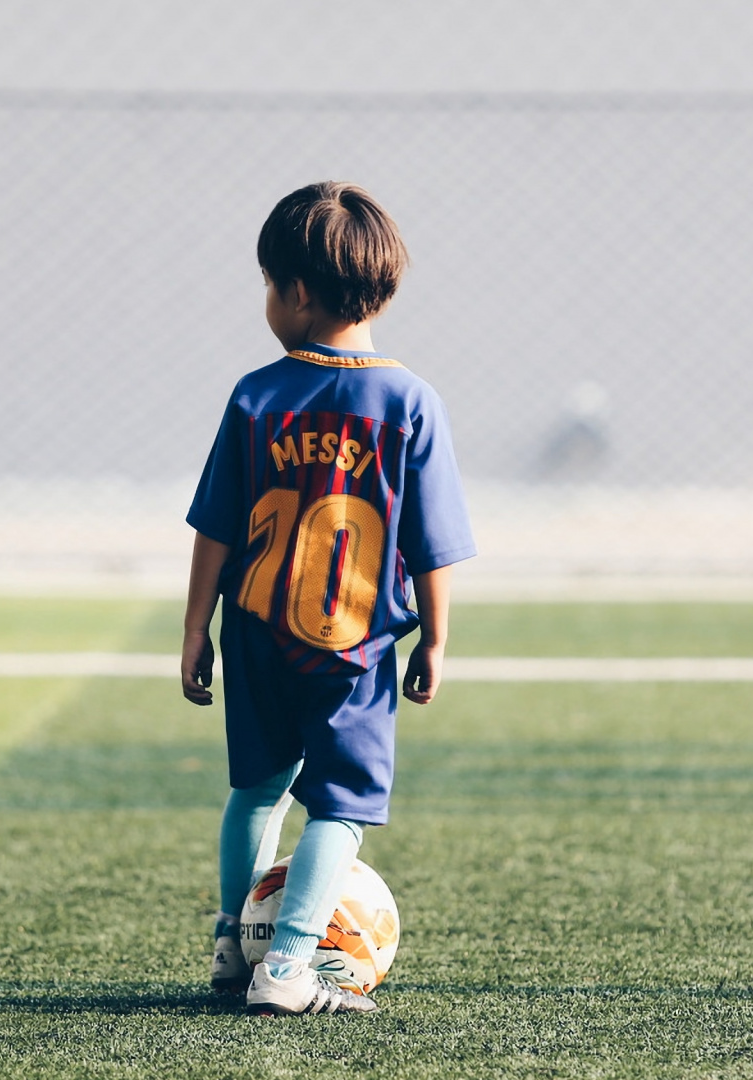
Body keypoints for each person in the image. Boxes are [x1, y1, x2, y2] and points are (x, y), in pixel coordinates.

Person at [180, 181, 476, 1016]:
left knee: (257, 790)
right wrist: (439, 641)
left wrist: (195, 628)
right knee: (339, 810)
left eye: (269, 284)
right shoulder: (410, 403)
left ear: (298, 293)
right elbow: (433, 543)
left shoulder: (255, 396)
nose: (267, 302)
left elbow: (215, 528)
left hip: (255, 634)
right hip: (353, 645)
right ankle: (288, 971)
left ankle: (235, 951)